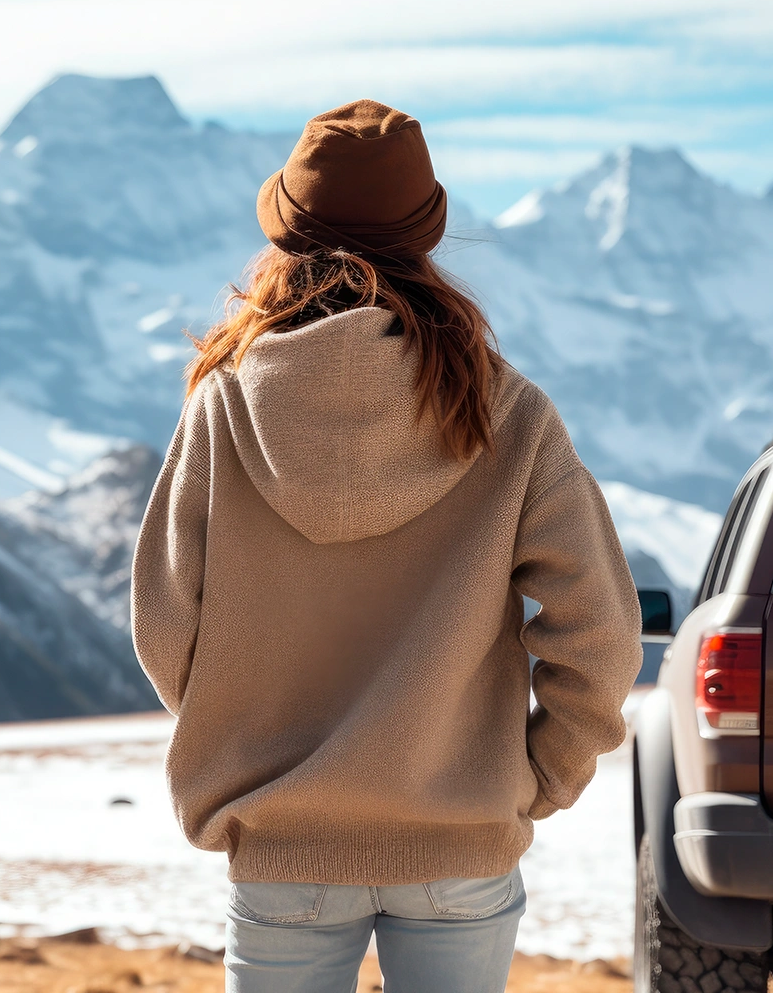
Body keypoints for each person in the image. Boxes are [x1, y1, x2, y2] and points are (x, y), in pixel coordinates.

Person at [130, 100, 643, 993]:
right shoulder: (506, 412)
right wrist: (529, 783)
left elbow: (165, 624)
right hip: (461, 841)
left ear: (287, 234)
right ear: (425, 237)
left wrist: (248, 737)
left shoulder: (222, 404)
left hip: (280, 842)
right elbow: (600, 633)